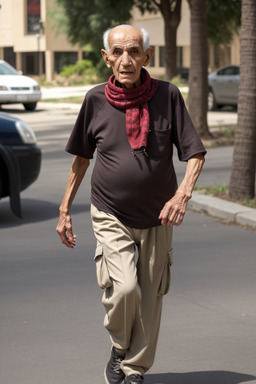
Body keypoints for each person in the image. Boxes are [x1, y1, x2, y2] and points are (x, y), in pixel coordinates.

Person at [56, 24, 206, 384]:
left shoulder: (168, 96)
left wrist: (182, 194)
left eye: (134, 51)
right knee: (124, 289)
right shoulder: (94, 100)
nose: (127, 59)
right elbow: (81, 159)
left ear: (147, 56)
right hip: (110, 211)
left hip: (158, 216)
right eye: (118, 52)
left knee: (151, 299)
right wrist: (64, 210)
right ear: (107, 57)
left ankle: (134, 369)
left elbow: (195, 153)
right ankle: (120, 347)